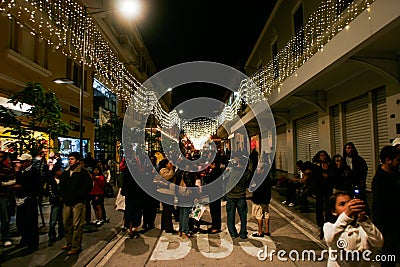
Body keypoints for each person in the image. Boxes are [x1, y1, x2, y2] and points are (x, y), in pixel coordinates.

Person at [323, 191, 383, 267]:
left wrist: (364, 220)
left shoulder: (364, 228)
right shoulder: (330, 226)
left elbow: (379, 243)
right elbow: (330, 239)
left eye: (350, 203)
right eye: (342, 204)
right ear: (334, 211)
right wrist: (345, 216)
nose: (348, 207)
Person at [59, 152, 93, 255]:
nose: (70, 161)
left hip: (78, 202)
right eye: (69, 159)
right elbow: (62, 185)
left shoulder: (83, 173)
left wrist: (79, 195)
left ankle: (76, 246)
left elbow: (88, 187)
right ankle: (69, 242)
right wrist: (63, 196)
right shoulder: (65, 172)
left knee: (77, 224)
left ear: (77, 160)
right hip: (67, 202)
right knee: (66, 223)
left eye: (72, 159)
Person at [372, 145, 400, 267]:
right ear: (388, 160)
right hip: (388, 226)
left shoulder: (395, 174)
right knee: (389, 257)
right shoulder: (380, 180)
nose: (399, 163)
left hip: (396, 224)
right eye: (397, 160)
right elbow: (381, 205)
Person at [14, 154, 41, 250]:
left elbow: (36, 186)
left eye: (23, 162)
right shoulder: (21, 171)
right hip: (20, 199)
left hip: (30, 199)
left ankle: (33, 243)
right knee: (21, 221)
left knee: (31, 222)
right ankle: (24, 239)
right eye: (21, 162)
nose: (22, 164)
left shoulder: (34, 171)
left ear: (29, 162)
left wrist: (22, 187)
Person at [225, 155, 251, 239]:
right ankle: (243, 233)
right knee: (243, 216)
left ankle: (233, 233)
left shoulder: (231, 170)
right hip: (241, 195)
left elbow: (224, 179)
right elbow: (248, 183)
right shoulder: (247, 172)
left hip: (231, 195)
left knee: (230, 214)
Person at [312, 150, 333, 239]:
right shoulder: (316, 166)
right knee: (319, 207)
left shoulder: (330, 164)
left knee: (328, 207)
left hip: (328, 188)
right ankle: (320, 225)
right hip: (319, 188)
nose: (323, 157)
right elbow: (314, 177)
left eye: (324, 155)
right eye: (321, 155)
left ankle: (328, 223)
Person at [250, 163, 272, 237]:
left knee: (259, 215)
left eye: (259, 168)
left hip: (259, 199)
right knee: (266, 214)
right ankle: (267, 230)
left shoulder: (258, 178)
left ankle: (260, 232)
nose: (257, 170)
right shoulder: (268, 178)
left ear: (262, 170)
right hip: (266, 200)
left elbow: (253, 187)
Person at [0, 151, 16, 247]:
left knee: (4, 218)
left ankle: (5, 237)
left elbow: (13, 180)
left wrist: (4, 184)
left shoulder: (7, 169)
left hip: (3, 196)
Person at [203, 159, 223, 234]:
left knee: (215, 210)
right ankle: (215, 225)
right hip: (214, 193)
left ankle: (216, 227)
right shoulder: (216, 170)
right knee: (214, 210)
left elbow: (210, 180)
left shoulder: (216, 171)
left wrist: (205, 176)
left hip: (215, 193)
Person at [47, 164, 65, 246]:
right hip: (55, 202)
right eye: (59, 170)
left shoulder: (62, 180)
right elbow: (50, 191)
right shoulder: (51, 181)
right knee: (53, 220)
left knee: (61, 218)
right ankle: (51, 235)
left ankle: (61, 232)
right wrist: (57, 197)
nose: (61, 172)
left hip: (62, 202)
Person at [158, 159, 177, 234]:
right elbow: (167, 177)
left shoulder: (168, 170)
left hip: (169, 192)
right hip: (165, 193)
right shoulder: (163, 170)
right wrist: (172, 170)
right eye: (170, 163)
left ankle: (164, 225)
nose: (171, 164)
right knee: (168, 210)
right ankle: (168, 228)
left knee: (166, 210)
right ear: (166, 164)